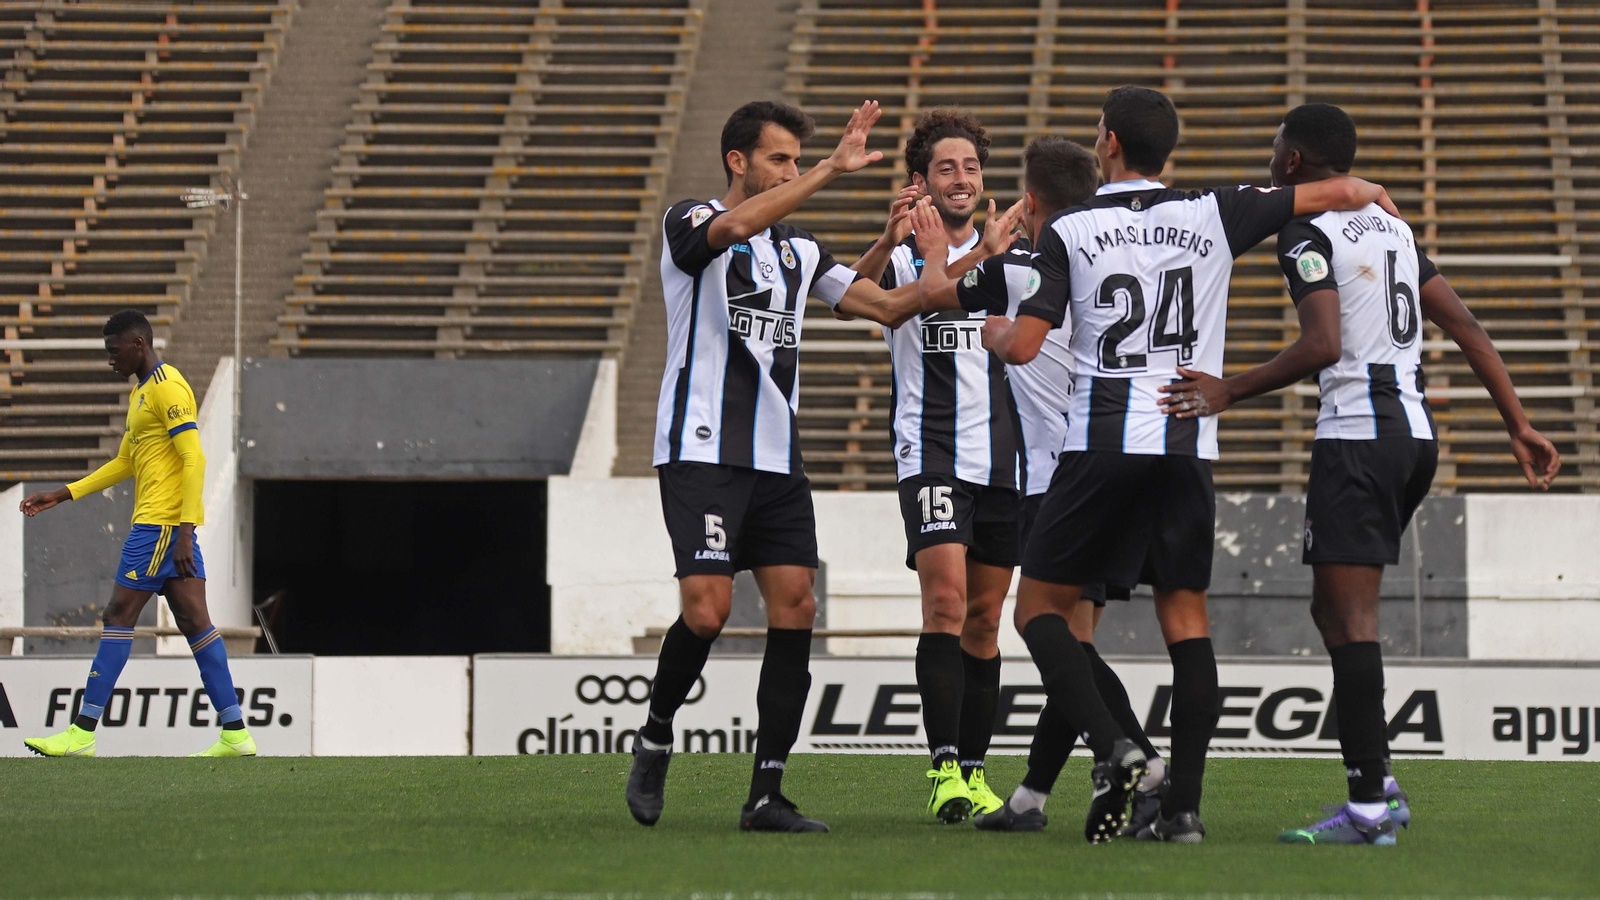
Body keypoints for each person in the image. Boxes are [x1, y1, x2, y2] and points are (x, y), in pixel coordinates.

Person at [976, 85, 1400, 843]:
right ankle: (1185, 814)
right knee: (1187, 622)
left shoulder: (1070, 228)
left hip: (1100, 445)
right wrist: (1373, 192)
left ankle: (1119, 750)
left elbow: (1028, 345)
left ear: (1107, 141)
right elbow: (1333, 190)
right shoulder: (1215, 210)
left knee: (1039, 610)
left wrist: (997, 334)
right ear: (1166, 148)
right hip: (1187, 445)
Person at [1158, 102, 1561, 845]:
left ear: (1293, 164)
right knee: (1335, 611)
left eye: (1277, 148)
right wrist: (1518, 423)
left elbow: (1321, 344)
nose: (1271, 157)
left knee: (1350, 619)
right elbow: (1466, 325)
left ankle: (1371, 808)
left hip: (1358, 438)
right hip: (1412, 438)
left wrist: (1225, 389)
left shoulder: (1305, 230)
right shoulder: (1394, 228)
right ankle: (1379, 779)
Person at [627, 99, 942, 834]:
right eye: (781, 159)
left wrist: (924, 245)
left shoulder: (799, 251)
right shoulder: (691, 221)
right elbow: (734, 227)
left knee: (796, 608)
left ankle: (766, 794)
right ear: (738, 162)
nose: (792, 170)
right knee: (706, 612)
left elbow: (889, 307)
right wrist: (835, 167)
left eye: (800, 160)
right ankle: (655, 733)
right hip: (702, 448)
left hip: (776, 460)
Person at [913, 135, 1168, 834]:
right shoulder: (1114, 259)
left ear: (1029, 203)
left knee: (1049, 629)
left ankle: (1137, 760)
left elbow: (934, 296)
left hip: (1061, 477)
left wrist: (953, 250)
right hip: (1132, 458)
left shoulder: (1028, 266)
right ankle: (1033, 795)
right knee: (1074, 641)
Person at [850, 109, 1028, 823]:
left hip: (1003, 457)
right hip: (931, 453)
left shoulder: (1010, 255)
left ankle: (978, 772)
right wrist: (890, 239)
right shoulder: (902, 255)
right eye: (947, 168)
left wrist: (987, 253)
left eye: (972, 168)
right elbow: (854, 305)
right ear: (919, 181)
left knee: (986, 621)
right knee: (946, 604)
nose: (963, 179)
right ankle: (943, 770)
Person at [19, 310, 254, 759]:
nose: (110, 361)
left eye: (114, 352)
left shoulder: (167, 387)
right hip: (167, 527)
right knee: (196, 626)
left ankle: (82, 733)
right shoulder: (142, 392)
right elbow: (126, 463)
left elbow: (195, 458)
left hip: (161, 526)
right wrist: (63, 493)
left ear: (139, 344)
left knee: (118, 615)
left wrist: (185, 530)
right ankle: (235, 733)